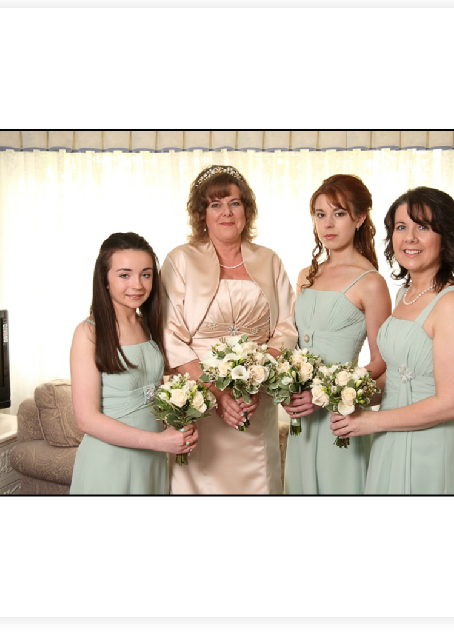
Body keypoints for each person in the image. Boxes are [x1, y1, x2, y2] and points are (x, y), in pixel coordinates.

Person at [329, 186, 454, 494]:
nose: (409, 238)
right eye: (401, 227)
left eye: (422, 227)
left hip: (432, 449)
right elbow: (399, 377)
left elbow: (452, 403)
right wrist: (351, 395)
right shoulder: (404, 295)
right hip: (390, 440)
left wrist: (369, 422)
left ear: (446, 236)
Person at [160, 165, 297, 495]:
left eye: (235, 203)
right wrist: (218, 394)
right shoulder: (180, 260)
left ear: (246, 211)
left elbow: (287, 326)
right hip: (201, 400)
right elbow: (170, 336)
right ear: (202, 214)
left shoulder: (270, 260)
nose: (226, 213)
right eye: (215, 204)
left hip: (256, 403)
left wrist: (256, 380)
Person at [281, 174, 391, 494]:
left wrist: (326, 395)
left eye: (339, 213)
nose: (327, 224)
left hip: (340, 415)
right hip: (301, 416)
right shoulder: (306, 276)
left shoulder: (371, 283)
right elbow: (294, 343)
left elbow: (382, 362)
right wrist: (287, 386)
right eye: (320, 214)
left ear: (360, 218)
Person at [69, 232, 198, 494]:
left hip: (152, 459)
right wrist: (159, 442)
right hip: (109, 463)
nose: (137, 285)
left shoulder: (148, 326)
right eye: (124, 275)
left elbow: (154, 394)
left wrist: (177, 424)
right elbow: (86, 420)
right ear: (104, 279)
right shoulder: (88, 333)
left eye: (146, 274)